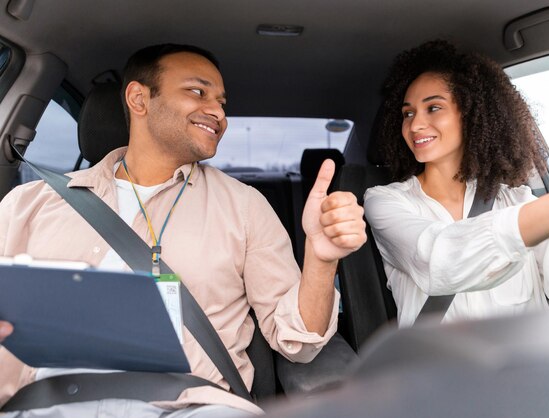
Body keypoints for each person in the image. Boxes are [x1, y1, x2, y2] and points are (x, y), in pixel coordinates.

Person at [0, 44, 366, 416]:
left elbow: (297, 343)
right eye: (198, 92)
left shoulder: (244, 207)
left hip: (192, 406)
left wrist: (320, 260)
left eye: (222, 102)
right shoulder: (31, 203)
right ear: (139, 99)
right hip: (47, 404)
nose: (218, 112)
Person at [363, 40, 549, 327]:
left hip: (533, 368)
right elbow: (442, 259)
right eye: (408, 113)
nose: (414, 125)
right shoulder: (386, 202)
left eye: (434, 108)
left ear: (473, 114)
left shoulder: (516, 200)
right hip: (436, 370)